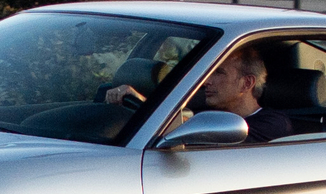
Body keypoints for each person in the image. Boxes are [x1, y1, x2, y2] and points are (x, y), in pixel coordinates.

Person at [104, 46, 294, 143]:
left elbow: (199, 132)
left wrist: (144, 105)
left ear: (247, 83)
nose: (206, 81)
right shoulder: (201, 106)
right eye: (208, 72)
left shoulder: (273, 124)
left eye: (219, 72)